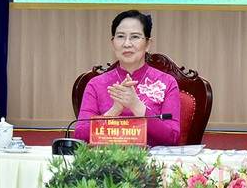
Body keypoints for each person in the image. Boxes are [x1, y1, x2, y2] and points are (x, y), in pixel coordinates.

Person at [74, 10, 180, 146]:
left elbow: (173, 137)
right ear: (113, 43)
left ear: (148, 44)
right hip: (106, 162)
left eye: (135, 37)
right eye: (120, 36)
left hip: (152, 164)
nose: (127, 43)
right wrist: (115, 110)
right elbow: (80, 135)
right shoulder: (96, 84)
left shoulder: (167, 83)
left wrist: (136, 106)